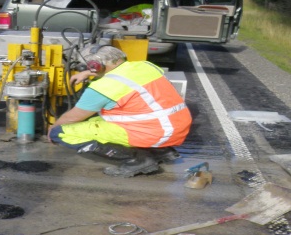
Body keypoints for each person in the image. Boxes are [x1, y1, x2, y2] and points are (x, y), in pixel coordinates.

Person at [48, 45, 192, 177]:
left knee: (61, 132)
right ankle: (161, 151)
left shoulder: (103, 88)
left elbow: (72, 118)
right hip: (176, 125)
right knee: (96, 121)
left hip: (153, 132)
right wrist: (88, 73)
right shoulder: (145, 66)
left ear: (95, 66)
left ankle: (137, 160)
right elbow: (119, 72)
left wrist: (53, 127)